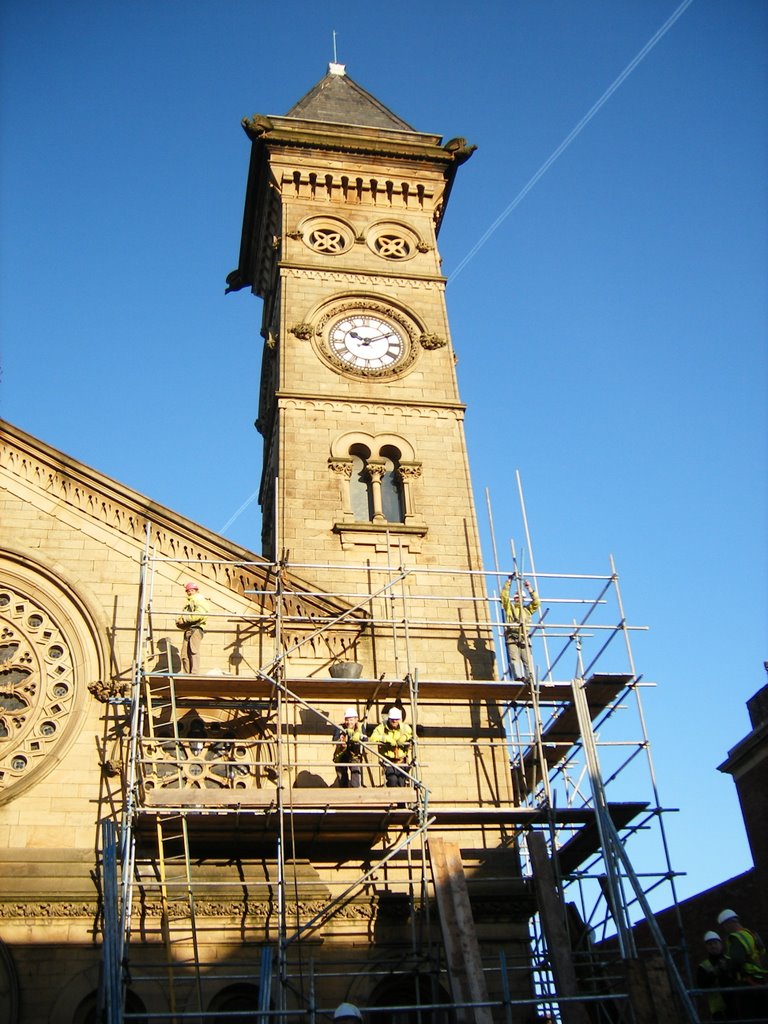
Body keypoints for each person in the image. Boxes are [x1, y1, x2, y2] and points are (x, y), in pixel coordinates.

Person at [718, 908, 768, 1020]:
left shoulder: (736, 938)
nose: (725, 929)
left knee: (750, 1017)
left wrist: (726, 966)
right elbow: (762, 953)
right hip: (761, 981)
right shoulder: (751, 935)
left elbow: (736, 960)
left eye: (724, 926)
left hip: (748, 982)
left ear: (729, 923)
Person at [500, 574, 540, 681]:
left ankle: (530, 678)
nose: (518, 599)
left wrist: (529, 588)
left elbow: (536, 602)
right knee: (514, 659)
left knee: (527, 659)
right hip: (512, 636)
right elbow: (504, 596)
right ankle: (518, 678)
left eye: (520, 597)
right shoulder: (510, 608)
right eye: (516, 597)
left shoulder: (527, 609)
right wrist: (509, 581)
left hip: (523, 637)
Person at [369, 707, 413, 787]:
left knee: (401, 784)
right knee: (392, 781)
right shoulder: (382, 727)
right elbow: (372, 738)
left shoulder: (404, 727)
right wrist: (385, 738)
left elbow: (413, 735)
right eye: (392, 719)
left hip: (401, 761)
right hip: (388, 761)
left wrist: (405, 737)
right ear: (389, 718)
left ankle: (401, 800)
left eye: (396, 719)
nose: (394, 721)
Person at [696, 930, 732, 1022]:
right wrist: (713, 974)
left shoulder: (730, 961)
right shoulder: (703, 966)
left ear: (720, 944)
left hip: (734, 1003)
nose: (713, 946)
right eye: (710, 944)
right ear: (706, 947)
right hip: (718, 1008)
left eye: (715, 943)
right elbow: (702, 985)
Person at [175, 581, 209, 674]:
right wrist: (180, 622)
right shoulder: (190, 601)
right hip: (189, 629)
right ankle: (187, 673)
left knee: (193, 651)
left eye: (192, 590)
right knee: (184, 654)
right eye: (188, 591)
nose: (190, 592)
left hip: (196, 629)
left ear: (196, 591)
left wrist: (184, 619)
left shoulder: (198, 599)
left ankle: (194, 674)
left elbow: (199, 615)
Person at [332, 708, 366, 788]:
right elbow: (334, 740)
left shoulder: (361, 727)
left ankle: (356, 797)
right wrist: (340, 741)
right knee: (342, 780)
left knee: (355, 779)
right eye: (347, 720)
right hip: (341, 755)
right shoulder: (339, 727)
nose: (348, 722)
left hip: (354, 755)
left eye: (351, 720)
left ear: (356, 719)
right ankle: (344, 798)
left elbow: (366, 738)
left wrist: (358, 736)